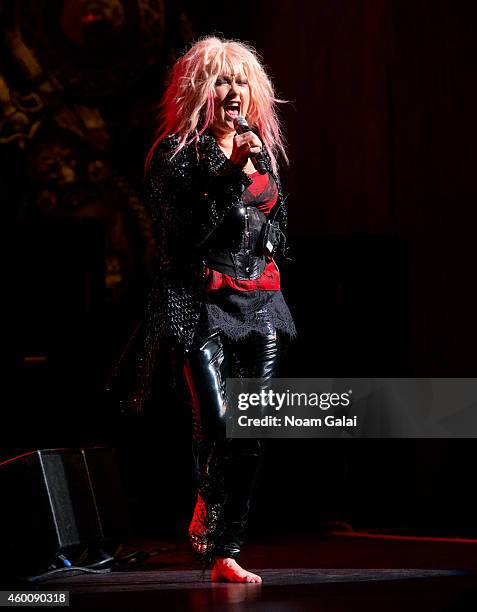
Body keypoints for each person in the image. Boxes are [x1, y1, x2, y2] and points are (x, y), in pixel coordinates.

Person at [138, 36, 296, 583]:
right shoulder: (176, 156)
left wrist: (271, 245)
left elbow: (271, 218)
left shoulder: (259, 149)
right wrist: (231, 174)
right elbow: (181, 239)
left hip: (260, 302)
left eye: (242, 81)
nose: (234, 91)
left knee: (255, 427)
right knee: (219, 421)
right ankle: (209, 500)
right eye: (222, 81)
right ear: (199, 93)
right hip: (200, 302)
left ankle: (226, 548)